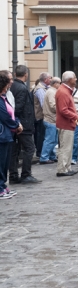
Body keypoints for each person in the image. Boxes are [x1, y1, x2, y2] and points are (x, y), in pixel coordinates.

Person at [9, 65, 40, 185]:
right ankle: (26, 174)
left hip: (16, 123)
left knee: (14, 151)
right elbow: (19, 107)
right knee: (29, 148)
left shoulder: (13, 86)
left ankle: (13, 176)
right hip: (23, 125)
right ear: (26, 74)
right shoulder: (21, 88)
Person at [0, 71, 22, 199]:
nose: (11, 82)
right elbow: (5, 116)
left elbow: (12, 113)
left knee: (5, 162)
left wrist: (17, 122)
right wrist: (16, 125)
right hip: (2, 134)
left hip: (7, 134)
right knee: (1, 162)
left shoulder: (4, 97)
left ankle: (2, 185)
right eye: (9, 80)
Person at [55, 72, 78, 177]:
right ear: (69, 80)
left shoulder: (64, 91)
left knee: (67, 147)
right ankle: (62, 169)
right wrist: (75, 116)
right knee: (65, 147)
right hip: (65, 124)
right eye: (74, 77)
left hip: (67, 123)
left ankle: (66, 167)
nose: (76, 79)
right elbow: (63, 110)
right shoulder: (63, 92)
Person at [39, 78, 60, 164]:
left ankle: (51, 156)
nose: (60, 85)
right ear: (55, 84)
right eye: (59, 83)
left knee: (53, 140)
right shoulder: (52, 92)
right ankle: (44, 157)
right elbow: (53, 105)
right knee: (50, 139)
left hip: (52, 119)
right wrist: (61, 110)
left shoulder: (51, 91)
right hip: (51, 119)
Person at [32, 72, 51, 158]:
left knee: (43, 135)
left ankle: (42, 152)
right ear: (46, 79)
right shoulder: (40, 89)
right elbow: (44, 104)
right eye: (50, 78)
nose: (51, 80)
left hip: (44, 116)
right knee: (41, 135)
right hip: (41, 116)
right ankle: (40, 152)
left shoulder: (45, 88)